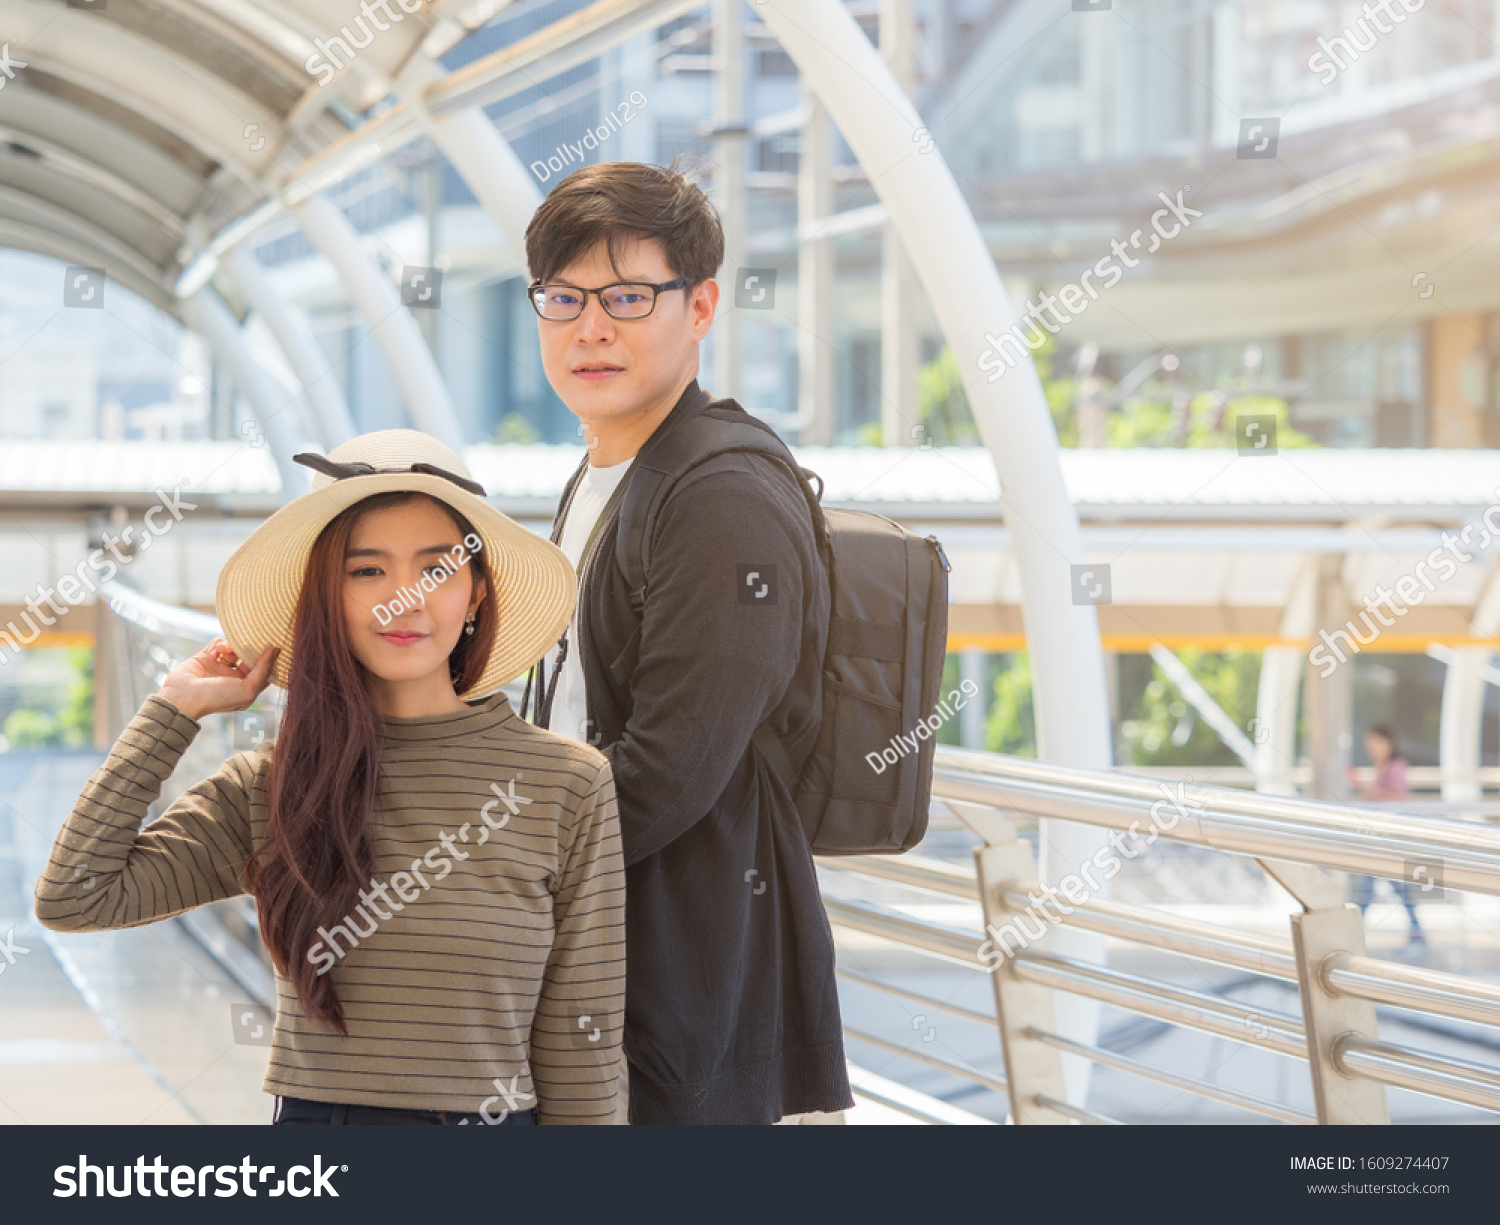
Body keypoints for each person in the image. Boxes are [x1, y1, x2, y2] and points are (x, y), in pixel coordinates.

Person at [34, 431, 626, 1125]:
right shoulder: (272, 785)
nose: (405, 598)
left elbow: (581, 1046)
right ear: (327, 597)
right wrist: (176, 709)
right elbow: (75, 896)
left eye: (436, 569)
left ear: (474, 595)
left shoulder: (568, 784)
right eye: (366, 570)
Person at [519, 160, 853, 1125]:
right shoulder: (603, 473)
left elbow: (671, 768)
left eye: (628, 297)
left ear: (701, 305)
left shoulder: (720, 496)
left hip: (687, 968)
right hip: (610, 950)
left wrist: (498, 874)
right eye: (563, 297)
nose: (590, 327)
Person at [1345, 724, 1426, 948]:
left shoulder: (1395, 767)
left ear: (1388, 743)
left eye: (1376, 744)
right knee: (1373, 888)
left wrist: (1362, 786)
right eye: (1369, 745)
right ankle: (1416, 932)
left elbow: (1395, 798)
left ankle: (1351, 936)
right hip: (1378, 838)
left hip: (1389, 838)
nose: (1372, 749)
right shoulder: (1381, 767)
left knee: (1382, 888)